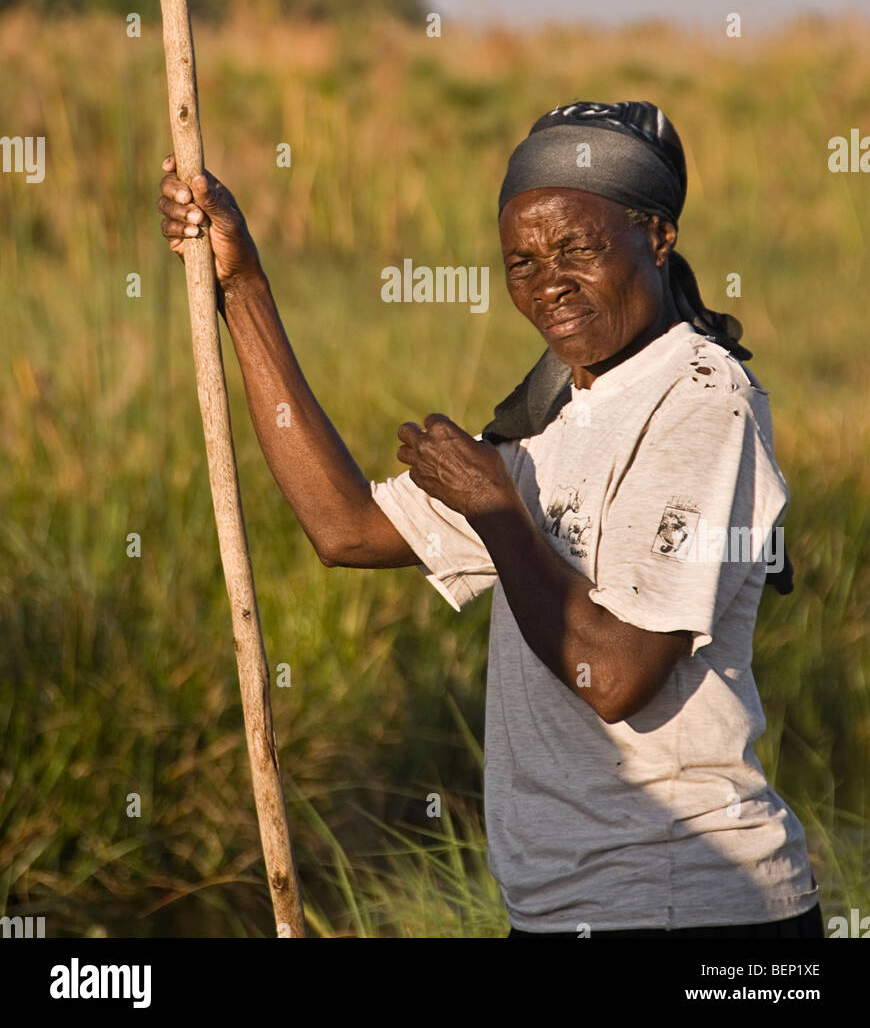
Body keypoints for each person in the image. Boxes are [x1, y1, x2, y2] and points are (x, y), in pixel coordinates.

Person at [158, 100, 822, 938]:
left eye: (578, 249)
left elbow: (614, 679)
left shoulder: (699, 400)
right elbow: (346, 526)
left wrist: (497, 510)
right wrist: (242, 285)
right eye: (522, 262)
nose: (549, 284)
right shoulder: (550, 417)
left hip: (684, 904)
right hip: (555, 907)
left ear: (658, 238)